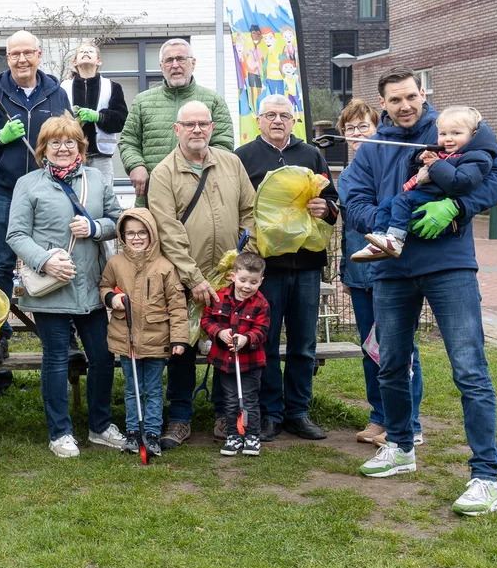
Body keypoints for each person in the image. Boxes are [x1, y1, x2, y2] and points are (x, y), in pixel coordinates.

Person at [342, 67, 497, 516]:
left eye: (411, 97)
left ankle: (486, 477)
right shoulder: (375, 147)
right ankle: (399, 447)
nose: (404, 106)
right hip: (391, 269)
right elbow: (352, 199)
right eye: (394, 100)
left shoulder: (456, 130)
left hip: (448, 265)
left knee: (469, 368)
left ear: (423, 94)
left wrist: (455, 205)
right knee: (391, 364)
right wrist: (388, 224)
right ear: (383, 104)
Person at [6, 113, 123, 458]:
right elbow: (16, 234)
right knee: (56, 359)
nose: (62, 148)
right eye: (55, 142)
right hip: (51, 288)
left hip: (92, 286)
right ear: (43, 148)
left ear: (80, 147)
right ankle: (60, 432)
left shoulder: (97, 180)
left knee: (102, 357)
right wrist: (45, 261)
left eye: (69, 141)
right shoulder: (28, 184)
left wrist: (95, 228)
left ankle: (100, 426)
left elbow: (118, 221)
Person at [147, 101, 255, 450]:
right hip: (183, 280)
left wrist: (240, 263)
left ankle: (226, 414)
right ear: (176, 129)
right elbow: (166, 230)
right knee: (182, 346)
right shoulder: (163, 173)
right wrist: (193, 278)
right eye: (189, 124)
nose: (197, 130)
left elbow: (249, 212)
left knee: (227, 343)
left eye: (203, 124)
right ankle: (180, 418)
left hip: (228, 279)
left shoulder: (231, 163)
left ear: (212, 127)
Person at [0, 30, 73, 364]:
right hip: (4, 191)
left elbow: (70, 140)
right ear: (7, 57)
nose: (22, 60)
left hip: (48, 190)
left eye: (28, 53)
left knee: (55, 260)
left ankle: (62, 338)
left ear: (39, 55)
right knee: (2, 265)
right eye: (15, 54)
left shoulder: (57, 94)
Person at [234, 94, 338, 442]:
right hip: (265, 268)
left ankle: (298, 411)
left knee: (303, 343)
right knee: (263, 339)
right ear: (258, 120)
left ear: (294, 121)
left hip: (307, 264)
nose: (277, 121)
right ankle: (269, 413)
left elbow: (334, 202)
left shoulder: (311, 155)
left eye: (284, 115)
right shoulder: (243, 157)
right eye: (270, 115)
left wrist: (327, 208)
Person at [336, 99, 423, 446]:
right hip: (361, 276)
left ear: (378, 130)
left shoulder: (395, 168)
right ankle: (379, 416)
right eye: (350, 129)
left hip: (395, 272)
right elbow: (348, 232)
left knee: (401, 349)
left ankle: (410, 423)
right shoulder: (346, 176)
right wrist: (345, 272)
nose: (357, 134)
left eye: (364, 127)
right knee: (371, 348)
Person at [98, 207, 187, 460]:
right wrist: (111, 297)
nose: (136, 238)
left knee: (153, 389)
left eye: (142, 233)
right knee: (132, 388)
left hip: (156, 339)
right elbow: (104, 286)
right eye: (130, 234)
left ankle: (152, 433)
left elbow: (178, 304)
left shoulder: (164, 266)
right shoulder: (115, 263)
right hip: (127, 339)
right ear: (122, 236)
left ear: (151, 234)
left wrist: (179, 337)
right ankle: (133, 432)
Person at [354, 106, 497, 261]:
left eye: (456, 133)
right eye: (443, 134)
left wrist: (435, 164)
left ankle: (396, 239)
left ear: (473, 135)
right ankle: (379, 237)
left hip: (437, 198)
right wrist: (419, 158)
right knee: (387, 203)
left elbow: (460, 181)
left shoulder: (478, 156)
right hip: (427, 193)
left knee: (403, 200)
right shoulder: (444, 152)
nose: (448, 138)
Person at [118, 39, 233, 204]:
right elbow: (128, 141)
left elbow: (224, 145)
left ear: (193, 64)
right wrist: (135, 166)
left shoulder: (214, 100)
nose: (175, 65)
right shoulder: (142, 101)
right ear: (161, 67)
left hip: (201, 194)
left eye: (180, 59)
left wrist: (199, 171)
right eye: (169, 60)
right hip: (153, 194)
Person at [201, 252, 270, 457]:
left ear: (261, 281)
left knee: (248, 399)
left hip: (250, 362)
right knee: (230, 400)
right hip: (225, 362)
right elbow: (207, 320)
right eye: (243, 280)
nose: (247, 286)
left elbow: (262, 330)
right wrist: (219, 333)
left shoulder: (261, 304)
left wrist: (246, 339)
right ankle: (233, 435)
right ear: (233, 276)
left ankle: (251, 436)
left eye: (253, 282)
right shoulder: (219, 296)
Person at [59, 42, 129, 182]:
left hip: (100, 157)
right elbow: (53, 118)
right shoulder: (62, 87)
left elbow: (121, 120)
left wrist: (99, 117)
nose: (86, 52)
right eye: (82, 51)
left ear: (99, 61)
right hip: (70, 155)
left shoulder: (111, 87)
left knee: (102, 200)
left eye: (90, 51)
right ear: (75, 62)